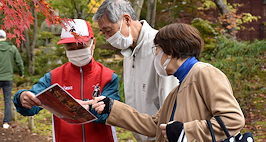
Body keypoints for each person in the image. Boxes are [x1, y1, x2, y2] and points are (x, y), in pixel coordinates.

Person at [90, 23, 245, 142]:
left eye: (157, 49)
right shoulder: (177, 91)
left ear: (170, 51)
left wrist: (186, 131)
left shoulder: (204, 72)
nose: (155, 55)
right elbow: (153, 126)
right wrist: (112, 108)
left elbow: (233, 119)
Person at [13, 19, 120, 142]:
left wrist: (88, 108)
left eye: (81, 45)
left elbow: (111, 114)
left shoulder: (108, 77)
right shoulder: (53, 77)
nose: (76, 50)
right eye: (70, 46)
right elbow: (33, 103)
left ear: (93, 43)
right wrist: (22, 97)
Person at [93, 0, 179, 141]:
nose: (108, 37)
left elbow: (171, 105)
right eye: (104, 32)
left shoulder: (160, 47)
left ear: (127, 19)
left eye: (108, 30)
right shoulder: (128, 51)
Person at [0, 29, 24, 129]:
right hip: (8, 78)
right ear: (5, 38)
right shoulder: (12, 48)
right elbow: (19, 61)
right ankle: (6, 122)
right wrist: (21, 73)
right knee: (7, 99)